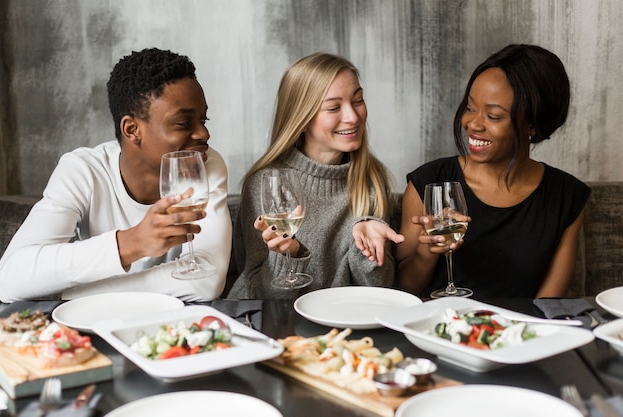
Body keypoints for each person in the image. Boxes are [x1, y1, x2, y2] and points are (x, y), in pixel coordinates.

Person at [0, 48, 231, 303]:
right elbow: (9, 281)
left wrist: (79, 294)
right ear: (132, 129)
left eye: (203, 119)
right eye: (184, 123)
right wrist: (131, 243)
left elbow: (206, 281)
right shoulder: (83, 170)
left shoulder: (206, 165)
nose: (203, 134)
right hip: (92, 326)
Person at [395, 44, 590, 299]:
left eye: (494, 116)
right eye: (470, 107)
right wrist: (427, 251)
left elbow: (548, 304)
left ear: (532, 124)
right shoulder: (430, 183)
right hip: (440, 332)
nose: (472, 124)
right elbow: (403, 291)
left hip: (521, 334)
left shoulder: (566, 197)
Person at [227, 52, 400, 299]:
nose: (353, 117)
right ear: (302, 118)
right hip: (281, 327)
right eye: (333, 107)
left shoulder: (371, 181)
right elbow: (255, 292)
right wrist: (289, 256)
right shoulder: (266, 185)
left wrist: (369, 253)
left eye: (358, 100)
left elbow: (380, 292)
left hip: (344, 329)